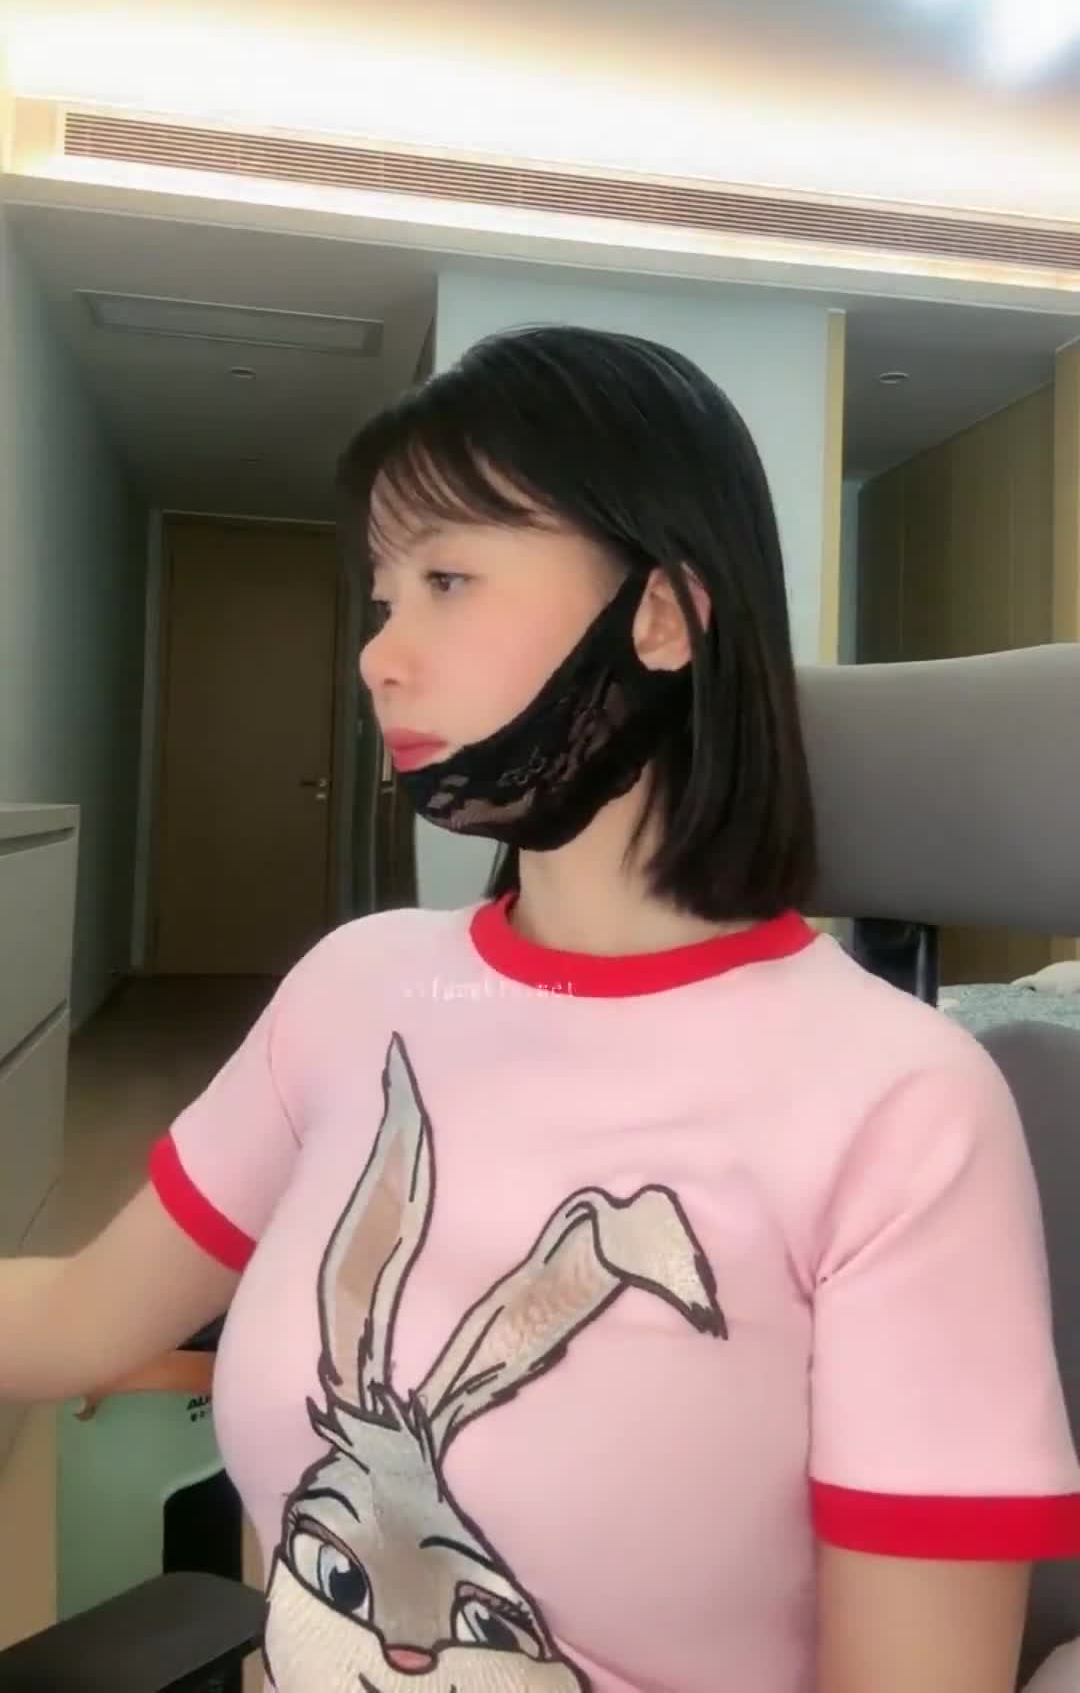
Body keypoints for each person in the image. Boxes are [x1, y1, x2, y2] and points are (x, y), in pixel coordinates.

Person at [3, 323, 1079, 1693]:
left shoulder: (904, 1105)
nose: (379, 657)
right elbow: (83, 1313)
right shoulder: (358, 989)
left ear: (663, 615)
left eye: (449, 579)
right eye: (383, 598)